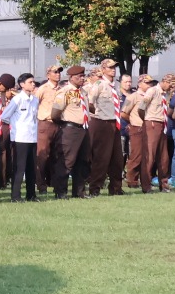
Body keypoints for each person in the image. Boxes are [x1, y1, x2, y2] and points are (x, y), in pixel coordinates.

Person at [47, 65, 91, 199]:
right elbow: (55, 113)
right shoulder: (65, 92)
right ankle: (60, 191)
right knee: (66, 161)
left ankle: (79, 191)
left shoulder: (83, 91)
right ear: (71, 77)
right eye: (79, 76)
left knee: (82, 161)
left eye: (83, 76)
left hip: (83, 129)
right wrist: (64, 124)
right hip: (70, 129)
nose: (82, 78)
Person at [84, 59, 126, 196]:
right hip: (102, 122)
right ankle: (95, 188)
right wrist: (97, 114)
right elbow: (90, 102)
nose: (113, 69)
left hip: (115, 123)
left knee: (117, 158)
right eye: (110, 67)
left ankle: (116, 188)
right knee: (101, 157)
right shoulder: (99, 84)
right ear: (103, 70)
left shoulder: (116, 85)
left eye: (114, 67)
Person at [1, 72, 40, 202]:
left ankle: (31, 195)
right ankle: (16, 196)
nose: (33, 84)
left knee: (31, 168)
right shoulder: (17, 99)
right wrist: (16, 126)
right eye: (30, 82)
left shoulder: (35, 100)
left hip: (32, 137)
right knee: (19, 168)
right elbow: (5, 116)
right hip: (20, 138)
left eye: (33, 82)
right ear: (22, 85)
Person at [33, 66, 63, 196]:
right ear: (48, 75)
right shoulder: (43, 89)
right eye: (55, 72)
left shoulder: (62, 89)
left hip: (59, 124)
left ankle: (56, 184)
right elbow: (34, 105)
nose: (58, 74)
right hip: (45, 124)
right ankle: (41, 184)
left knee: (57, 155)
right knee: (42, 155)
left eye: (59, 72)